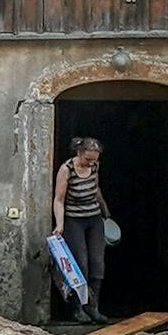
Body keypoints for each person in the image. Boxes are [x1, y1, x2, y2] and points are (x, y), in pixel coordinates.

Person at [53, 137, 111, 324]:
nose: (91, 163)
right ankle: (77, 308)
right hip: (74, 220)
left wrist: (105, 210)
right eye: (88, 159)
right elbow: (59, 200)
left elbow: (96, 189)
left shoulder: (94, 167)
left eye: (95, 159)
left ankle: (93, 307)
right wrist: (60, 224)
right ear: (79, 153)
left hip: (93, 218)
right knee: (81, 264)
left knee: (97, 264)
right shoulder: (66, 169)